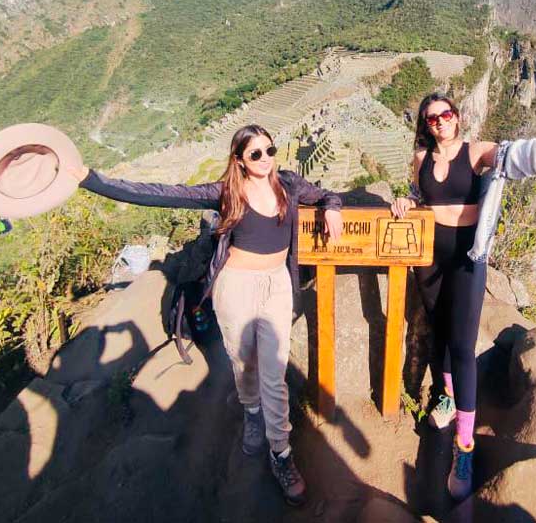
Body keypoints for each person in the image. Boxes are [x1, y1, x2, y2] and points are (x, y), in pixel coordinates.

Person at [70, 124, 343, 507]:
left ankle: (280, 453)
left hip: (277, 285)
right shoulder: (226, 192)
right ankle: (251, 414)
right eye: (255, 154)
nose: (266, 159)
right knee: (244, 364)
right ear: (239, 160)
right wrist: (91, 180)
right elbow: (162, 196)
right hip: (236, 287)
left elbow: (328, 194)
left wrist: (331, 208)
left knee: (274, 372)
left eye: (269, 150)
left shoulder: (289, 184)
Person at [391, 93, 536, 500]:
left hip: (467, 257)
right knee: (441, 331)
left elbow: (526, 154)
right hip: (429, 256)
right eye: (431, 119)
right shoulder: (420, 159)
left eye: (445, 115)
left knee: (462, 346)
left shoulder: (477, 153)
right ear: (425, 126)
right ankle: (445, 396)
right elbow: (419, 193)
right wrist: (408, 201)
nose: (439, 122)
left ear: (457, 118)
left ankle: (465, 446)